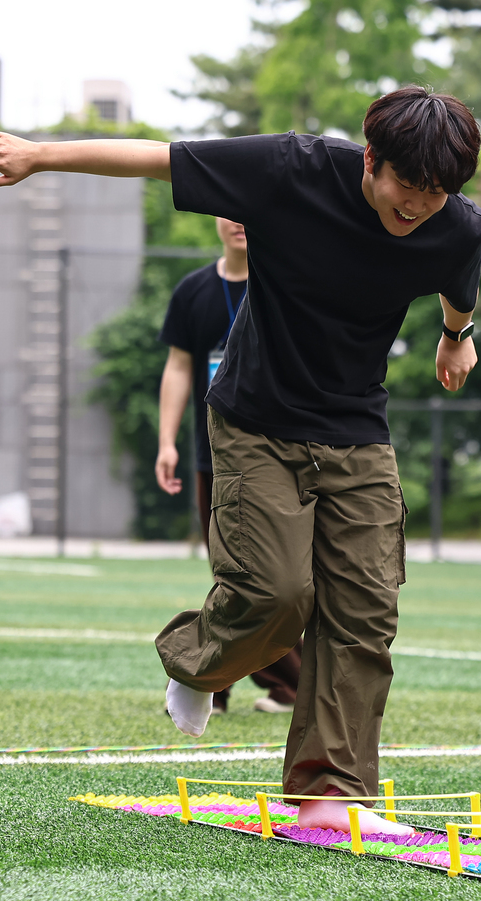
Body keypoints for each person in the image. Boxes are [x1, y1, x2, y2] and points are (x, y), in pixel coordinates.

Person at [0, 85, 481, 833]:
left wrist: (455, 335)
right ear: (372, 158)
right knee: (277, 596)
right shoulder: (291, 169)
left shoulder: (454, 223)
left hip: (357, 428)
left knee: (365, 611)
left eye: (438, 194)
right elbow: (158, 158)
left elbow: (460, 288)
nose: (419, 207)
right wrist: (39, 155)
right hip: (256, 419)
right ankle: (196, 661)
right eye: (408, 185)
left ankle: (328, 797)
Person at [155, 215, 303, 716]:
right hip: (212, 450)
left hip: (280, 448)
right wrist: (166, 441)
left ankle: (271, 683)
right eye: (229, 211)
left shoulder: (286, 279)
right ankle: (222, 683)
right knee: (233, 567)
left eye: (250, 210)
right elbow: (179, 366)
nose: (241, 222)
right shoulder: (194, 290)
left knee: (279, 574)